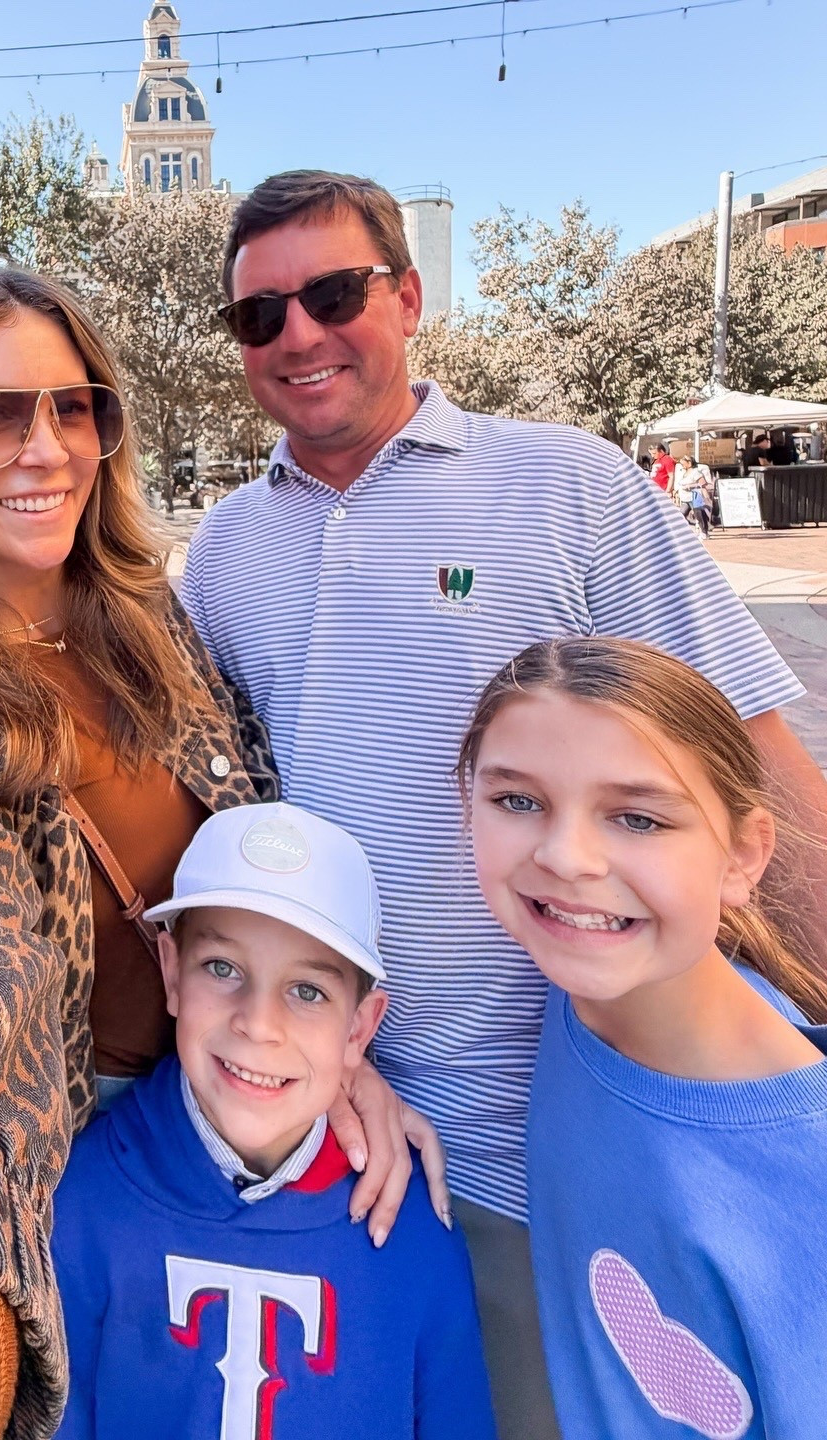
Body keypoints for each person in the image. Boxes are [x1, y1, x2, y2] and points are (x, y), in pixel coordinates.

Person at [0, 266, 444, 1440]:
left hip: (230, 1095)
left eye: (74, 406)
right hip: (83, 1148)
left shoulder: (145, 615)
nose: (45, 447)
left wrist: (324, 1042)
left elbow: (254, 830)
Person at [180, 168, 827, 1440]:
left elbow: (748, 758)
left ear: (409, 297)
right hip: (339, 1138)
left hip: (570, 1150)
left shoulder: (566, 486)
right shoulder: (225, 554)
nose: (299, 334)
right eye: (261, 316)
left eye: (334, 293)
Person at [458, 636, 827, 1439]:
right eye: (517, 801)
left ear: (743, 854)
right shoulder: (581, 992)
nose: (565, 858)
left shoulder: (803, 1176)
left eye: (637, 817)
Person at [52, 802, 497, 1439]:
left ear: (360, 1027)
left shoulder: (411, 1232)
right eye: (222, 969)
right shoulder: (83, 1200)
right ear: (173, 974)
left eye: (307, 991)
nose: (258, 1024)